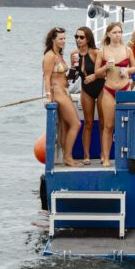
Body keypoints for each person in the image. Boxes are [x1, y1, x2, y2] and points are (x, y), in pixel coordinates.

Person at [94, 22, 135, 167]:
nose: (117, 35)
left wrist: (127, 71)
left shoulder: (127, 50)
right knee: (108, 126)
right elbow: (97, 73)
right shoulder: (102, 51)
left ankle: (129, 157)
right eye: (114, 32)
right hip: (109, 90)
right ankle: (106, 158)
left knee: (128, 124)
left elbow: (134, 67)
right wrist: (106, 67)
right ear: (108, 34)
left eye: (119, 32)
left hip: (125, 88)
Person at [42, 27, 82, 167]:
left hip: (65, 91)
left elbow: (60, 74)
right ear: (53, 39)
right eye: (60, 38)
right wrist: (48, 97)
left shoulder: (58, 54)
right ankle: (67, 157)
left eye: (65, 38)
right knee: (76, 124)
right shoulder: (50, 56)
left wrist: (71, 71)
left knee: (65, 126)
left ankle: (67, 156)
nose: (63, 41)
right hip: (57, 92)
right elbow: (46, 78)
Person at [70, 26, 102, 165]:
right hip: (86, 89)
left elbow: (105, 72)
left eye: (81, 37)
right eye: (76, 37)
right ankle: (86, 155)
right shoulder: (74, 54)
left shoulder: (95, 52)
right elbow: (73, 75)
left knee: (103, 123)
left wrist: (94, 77)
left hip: (101, 87)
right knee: (88, 123)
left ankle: (103, 154)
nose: (78, 40)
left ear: (88, 38)